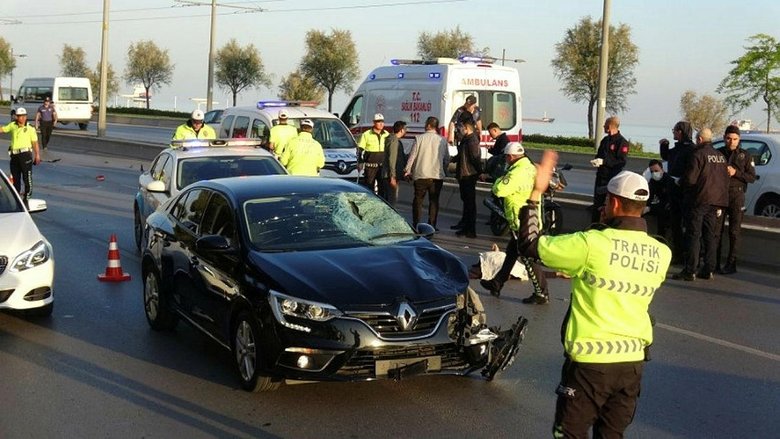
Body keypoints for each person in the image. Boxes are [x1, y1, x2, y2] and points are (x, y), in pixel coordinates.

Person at [515, 151, 672, 438]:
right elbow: (620, 275)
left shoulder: (591, 243)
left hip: (591, 365)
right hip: (632, 365)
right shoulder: (662, 253)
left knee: (569, 434)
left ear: (612, 202)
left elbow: (529, 243)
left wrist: (535, 193)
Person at [479, 142, 550, 304]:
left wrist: (498, 180)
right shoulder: (530, 167)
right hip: (530, 218)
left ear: (510, 157)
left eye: (506, 157)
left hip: (521, 221)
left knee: (528, 258)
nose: (506, 160)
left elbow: (499, 190)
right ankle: (496, 284)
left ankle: (542, 293)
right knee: (512, 253)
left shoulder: (516, 173)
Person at [673, 128, 729, 281]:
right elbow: (724, 180)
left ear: (699, 140)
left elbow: (691, 179)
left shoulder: (697, 155)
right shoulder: (720, 156)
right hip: (716, 201)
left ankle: (690, 270)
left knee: (694, 234)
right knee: (710, 235)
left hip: (699, 200)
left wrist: (680, 182)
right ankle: (708, 268)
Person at [716, 125, 756, 274]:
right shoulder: (718, 153)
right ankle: (714, 263)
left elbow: (751, 177)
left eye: (734, 139)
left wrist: (736, 173)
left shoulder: (745, 156)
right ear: (724, 138)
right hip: (720, 195)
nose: (731, 142)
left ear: (739, 140)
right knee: (716, 231)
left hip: (736, 196)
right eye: (728, 138)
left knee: (734, 231)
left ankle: (731, 264)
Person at [659, 121, 695, 262]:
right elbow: (667, 157)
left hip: (684, 191)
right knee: (675, 222)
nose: (673, 132)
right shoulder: (678, 148)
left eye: (674, 130)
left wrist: (681, 181)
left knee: (685, 223)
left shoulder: (690, 149)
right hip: (673, 191)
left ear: (680, 132)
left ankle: (685, 252)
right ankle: (678, 252)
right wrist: (664, 146)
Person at [404, 117, 448, 228]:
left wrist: (407, 170)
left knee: (418, 200)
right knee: (434, 201)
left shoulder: (419, 138)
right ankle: (432, 224)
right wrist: (444, 170)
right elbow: (446, 159)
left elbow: (412, 156)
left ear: (428, 125)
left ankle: (416, 223)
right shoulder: (442, 140)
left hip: (421, 175)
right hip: (436, 176)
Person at [590, 116, 629, 223]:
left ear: (610, 126)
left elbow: (621, 162)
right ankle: (593, 227)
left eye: (605, 125)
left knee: (608, 205)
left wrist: (605, 162)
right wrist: (597, 161)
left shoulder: (622, 142)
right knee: (597, 204)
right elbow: (599, 155)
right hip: (601, 176)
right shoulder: (605, 140)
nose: (603, 127)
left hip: (611, 178)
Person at [2, 108, 41, 205]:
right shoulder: (13, 125)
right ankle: (16, 198)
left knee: (27, 178)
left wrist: (37, 155)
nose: (23, 118)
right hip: (14, 156)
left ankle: (26, 198)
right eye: (20, 116)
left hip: (25, 155)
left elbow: (35, 143)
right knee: (15, 179)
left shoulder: (30, 128)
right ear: (16, 117)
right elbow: (2, 129)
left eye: (24, 116)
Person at [452, 119, 483, 238]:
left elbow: (475, 158)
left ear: (466, 128)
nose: (460, 130)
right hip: (464, 175)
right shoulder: (465, 140)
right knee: (466, 202)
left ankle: (470, 229)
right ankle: (464, 226)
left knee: (470, 204)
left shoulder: (472, 140)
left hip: (469, 175)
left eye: (461, 128)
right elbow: (462, 155)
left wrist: (480, 172)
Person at [357, 113, 388, 194]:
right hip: (370, 167)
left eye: (382, 121)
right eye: (378, 122)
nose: (381, 124)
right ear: (374, 122)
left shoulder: (386, 134)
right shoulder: (366, 134)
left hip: (382, 167)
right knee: (369, 188)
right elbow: (360, 150)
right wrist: (360, 162)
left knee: (383, 189)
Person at [645, 159, 675, 238]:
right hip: (660, 205)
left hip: (671, 206)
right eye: (652, 172)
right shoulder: (653, 181)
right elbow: (649, 197)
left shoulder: (669, 181)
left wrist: (650, 208)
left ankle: (661, 238)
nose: (654, 173)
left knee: (662, 214)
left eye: (656, 170)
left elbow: (668, 201)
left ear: (662, 169)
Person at [381, 121, 407, 207]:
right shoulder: (394, 141)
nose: (406, 131)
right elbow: (392, 159)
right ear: (401, 130)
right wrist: (392, 177)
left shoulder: (391, 139)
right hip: (390, 176)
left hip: (389, 174)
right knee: (391, 201)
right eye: (405, 129)